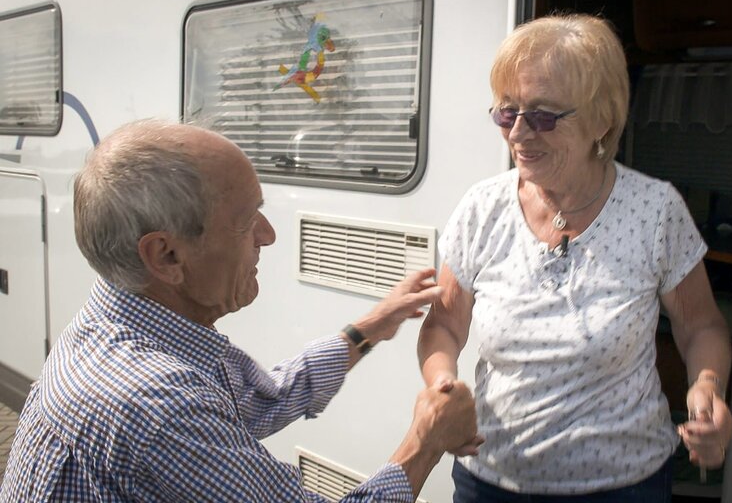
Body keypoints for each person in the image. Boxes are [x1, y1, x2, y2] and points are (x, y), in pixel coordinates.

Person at [0, 120, 482, 502]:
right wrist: (425, 441)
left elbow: (260, 400)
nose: (268, 235)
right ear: (166, 256)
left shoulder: (116, 324)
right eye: (246, 220)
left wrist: (369, 329)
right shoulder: (158, 404)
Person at [417, 14, 732, 502]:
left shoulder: (655, 210)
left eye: (543, 115)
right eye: (507, 112)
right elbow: (444, 324)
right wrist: (444, 387)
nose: (519, 133)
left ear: (601, 120)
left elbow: (701, 326)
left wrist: (707, 386)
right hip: (493, 480)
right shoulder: (482, 207)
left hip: (625, 487)